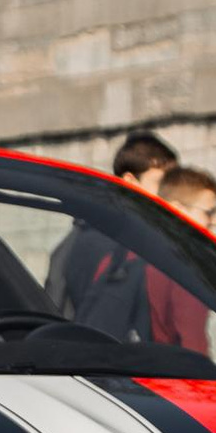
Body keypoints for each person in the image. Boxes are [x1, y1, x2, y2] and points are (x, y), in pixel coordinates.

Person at [47, 129, 175, 332]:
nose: (169, 194)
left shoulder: (94, 232)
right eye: (161, 183)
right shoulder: (112, 243)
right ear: (130, 182)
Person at [143, 165, 216, 356]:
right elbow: (193, 343)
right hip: (171, 374)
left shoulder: (133, 251)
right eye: (209, 212)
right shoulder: (186, 264)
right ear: (176, 209)